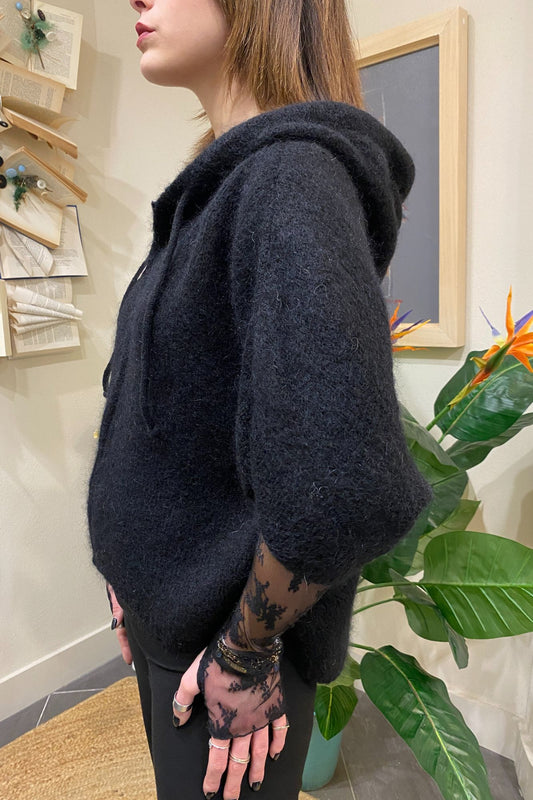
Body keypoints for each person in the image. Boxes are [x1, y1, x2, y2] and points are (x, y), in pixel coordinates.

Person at [87, 1, 433, 799]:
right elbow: (162, 415)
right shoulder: (228, 185)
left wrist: (243, 653)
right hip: (170, 611)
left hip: (224, 644)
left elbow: (344, 482)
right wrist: (130, 567)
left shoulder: (290, 179)